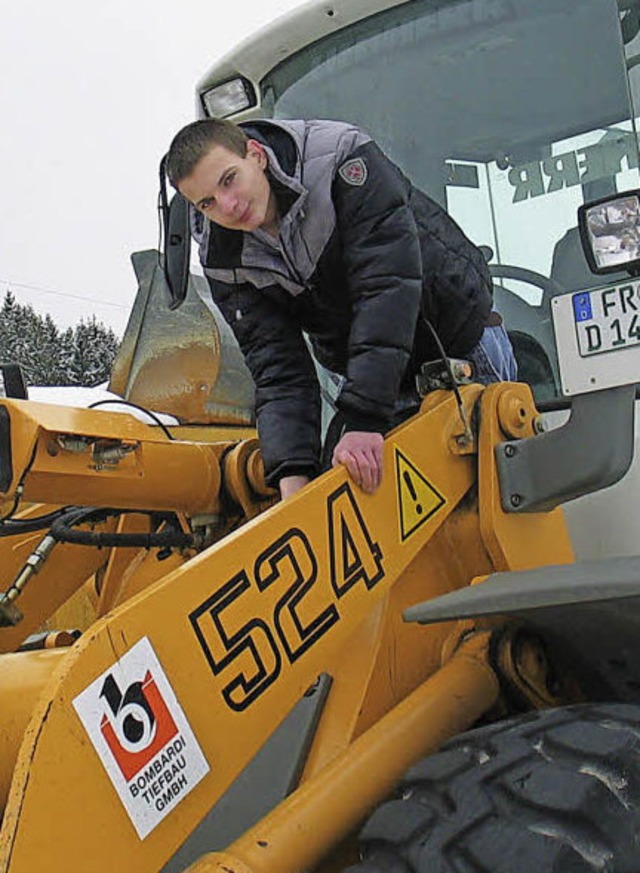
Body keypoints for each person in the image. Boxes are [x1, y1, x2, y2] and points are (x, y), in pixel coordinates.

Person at [165, 118, 516, 499]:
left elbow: (386, 288)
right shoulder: (224, 259)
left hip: (456, 342)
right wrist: (293, 479)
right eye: (207, 203)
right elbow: (277, 366)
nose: (227, 207)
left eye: (229, 179)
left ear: (256, 155)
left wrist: (364, 419)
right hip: (365, 377)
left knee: (499, 498)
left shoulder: (342, 163)